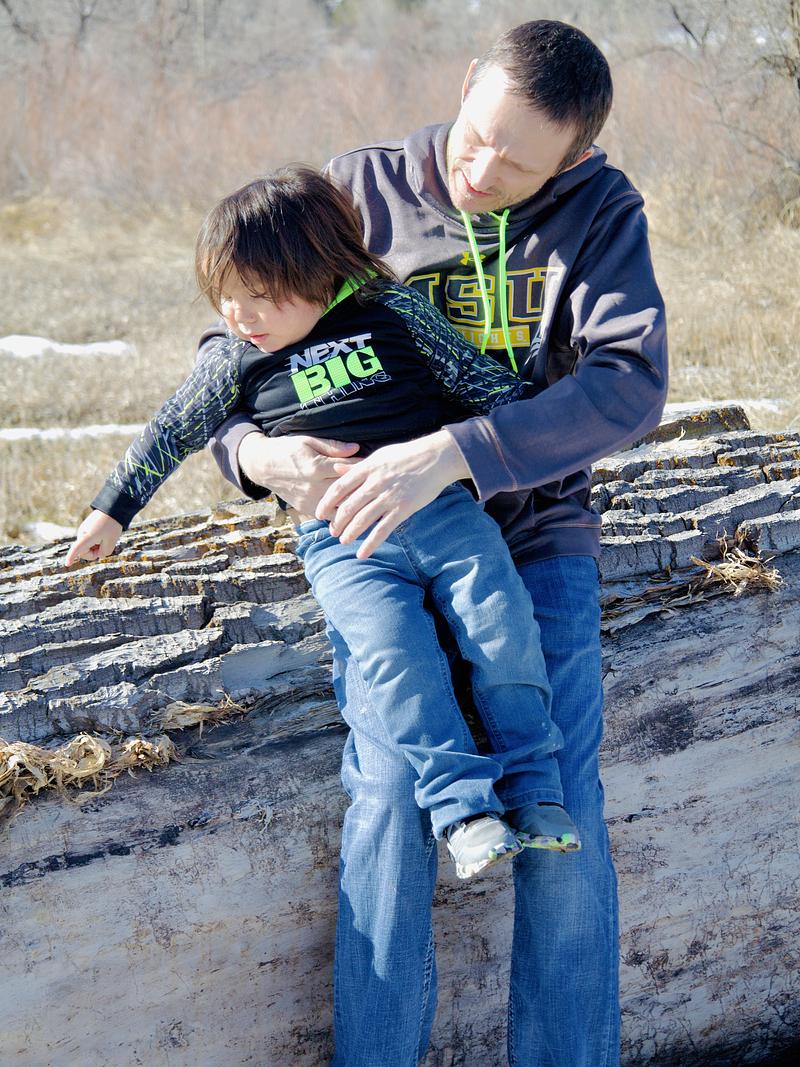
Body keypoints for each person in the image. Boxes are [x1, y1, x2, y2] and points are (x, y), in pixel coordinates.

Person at [204, 19, 668, 1067]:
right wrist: (258, 457)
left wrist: (459, 451)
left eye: (518, 164)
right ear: (464, 85)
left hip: (534, 534)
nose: (481, 170)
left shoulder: (599, 212)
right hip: (375, 540)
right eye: (477, 136)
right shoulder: (359, 191)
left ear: (574, 157)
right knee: (386, 787)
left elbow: (630, 381)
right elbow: (229, 340)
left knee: (558, 798)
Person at [64, 165, 583, 880]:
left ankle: (535, 792)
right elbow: (172, 429)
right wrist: (112, 509)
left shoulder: (394, 311)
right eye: (225, 297)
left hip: (445, 516)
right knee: (397, 659)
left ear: (319, 271)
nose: (240, 315)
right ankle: (463, 811)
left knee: (501, 629)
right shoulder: (236, 358)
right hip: (344, 544)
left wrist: (558, 414)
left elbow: (478, 381)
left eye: (260, 295)